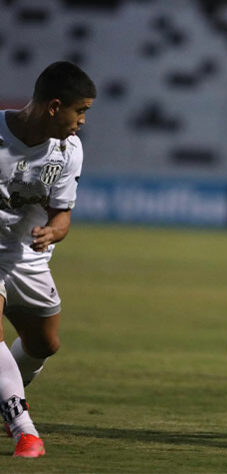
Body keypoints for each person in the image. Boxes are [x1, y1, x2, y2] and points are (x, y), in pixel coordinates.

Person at [0, 61, 96, 458]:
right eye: (81, 111)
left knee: (44, 344)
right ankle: (23, 428)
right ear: (55, 106)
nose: (83, 121)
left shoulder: (69, 149)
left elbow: (63, 214)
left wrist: (55, 231)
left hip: (29, 257)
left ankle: (7, 394)